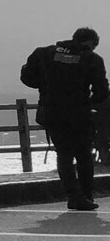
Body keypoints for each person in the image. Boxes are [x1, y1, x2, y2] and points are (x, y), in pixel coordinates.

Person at [20, 27, 109, 211]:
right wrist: (89, 102)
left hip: (52, 112)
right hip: (79, 114)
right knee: (84, 155)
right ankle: (86, 195)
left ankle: (74, 196)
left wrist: (46, 87)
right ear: (90, 43)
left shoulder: (43, 53)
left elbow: (27, 77)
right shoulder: (92, 59)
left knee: (64, 154)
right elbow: (101, 91)